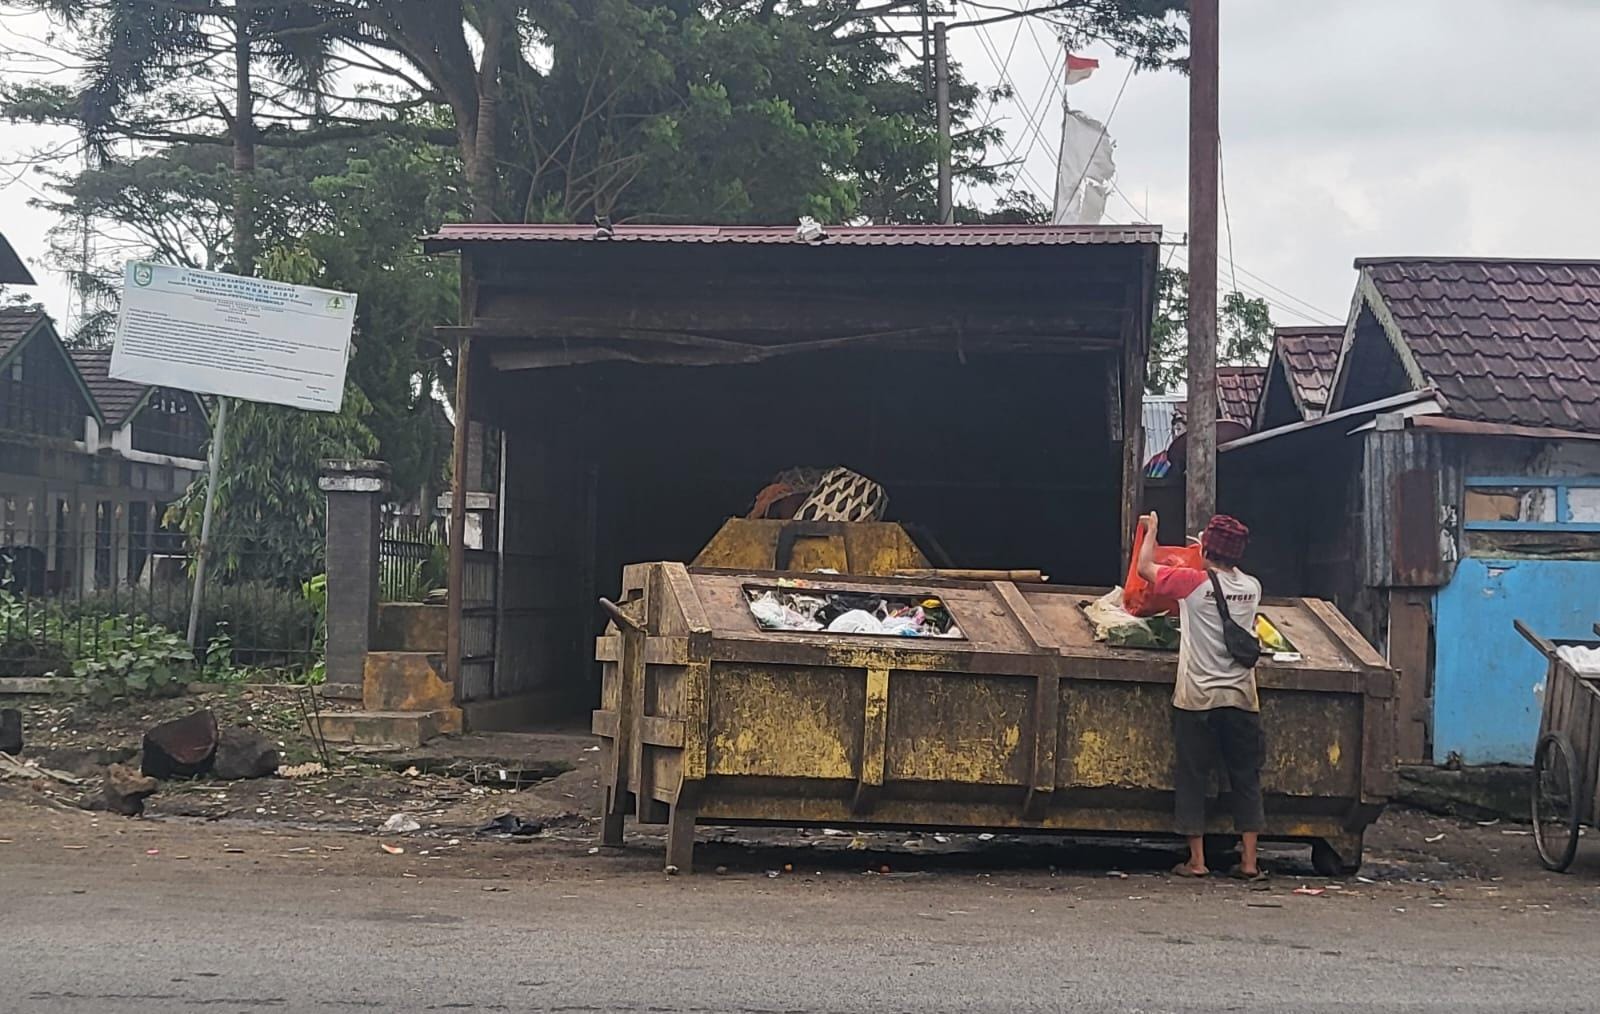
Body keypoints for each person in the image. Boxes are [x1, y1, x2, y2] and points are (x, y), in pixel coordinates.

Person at [1134, 510, 1266, 881]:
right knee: (1246, 777)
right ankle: (1249, 862)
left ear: (1205, 549)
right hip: (1241, 697)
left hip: (1197, 698)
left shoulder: (1191, 583)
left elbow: (1145, 569)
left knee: (1193, 776)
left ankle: (1197, 861)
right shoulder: (1252, 588)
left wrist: (1153, 531)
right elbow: (1229, 581)